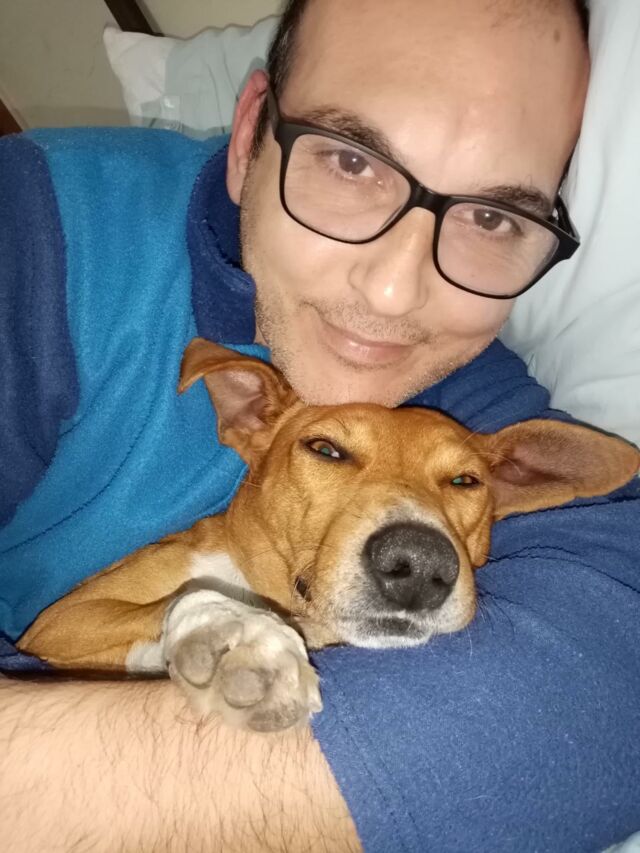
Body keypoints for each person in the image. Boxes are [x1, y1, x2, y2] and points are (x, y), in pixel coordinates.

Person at [1, 0, 638, 850]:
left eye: (492, 216)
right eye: (351, 158)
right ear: (249, 138)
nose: (394, 291)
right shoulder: (32, 230)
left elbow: (615, 654)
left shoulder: (460, 378)